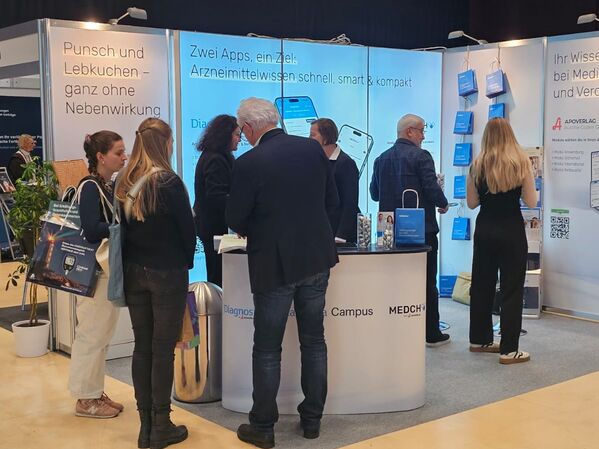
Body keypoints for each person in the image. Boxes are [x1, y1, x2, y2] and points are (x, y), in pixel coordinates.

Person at [227, 98, 339, 448]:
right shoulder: (312, 149)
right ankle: (312, 420)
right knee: (314, 341)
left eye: (242, 130)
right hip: (316, 258)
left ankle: (263, 426)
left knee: (267, 348)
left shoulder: (249, 163)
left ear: (249, 127)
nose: (243, 136)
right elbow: (332, 201)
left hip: (274, 263)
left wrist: (259, 229)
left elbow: (235, 217)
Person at [115, 118, 196, 449]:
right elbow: (187, 232)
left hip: (134, 272)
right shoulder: (169, 182)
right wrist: (187, 263)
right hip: (167, 274)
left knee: (143, 347)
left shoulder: (124, 180)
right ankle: (161, 425)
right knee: (163, 350)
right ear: (164, 143)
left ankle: (145, 426)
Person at [369, 114, 450, 347]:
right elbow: (431, 188)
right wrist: (443, 203)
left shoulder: (381, 159)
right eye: (421, 131)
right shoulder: (422, 157)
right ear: (410, 132)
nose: (423, 136)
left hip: (389, 232)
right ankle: (431, 332)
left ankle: (395, 329)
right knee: (427, 281)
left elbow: (374, 194)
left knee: (393, 281)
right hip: (421, 232)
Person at [467, 118, 536, 364]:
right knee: (512, 289)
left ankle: (479, 339)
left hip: (485, 229)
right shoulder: (521, 163)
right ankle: (509, 349)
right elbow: (531, 201)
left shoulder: (477, 165)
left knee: (481, 285)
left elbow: (471, 203)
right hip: (511, 230)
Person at [68, 130, 127, 418]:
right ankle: (85, 399)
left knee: (101, 334)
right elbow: (91, 229)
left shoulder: (105, 185)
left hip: (103, 271)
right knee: (92, 335)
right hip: (94, 272)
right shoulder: (90, 186)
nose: (124, 157)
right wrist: (123, 226)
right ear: (101, 157)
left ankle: (94, 391)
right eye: (118, 152)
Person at [193, 114, 240, 287]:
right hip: (215, 228)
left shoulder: (217, 156)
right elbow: (217, 197)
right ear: (225, 135)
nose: (239, 139)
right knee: (219, 275)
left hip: (214, 226)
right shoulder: (216, 159)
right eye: (236, 135)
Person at [309, 118, 359, 243]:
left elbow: (350, 202)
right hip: (321, 231)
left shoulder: (346, 163)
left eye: (312, 135)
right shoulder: (315, 161)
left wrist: (341, 235)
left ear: (326, 138)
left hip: (339, 234)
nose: (309, 139)